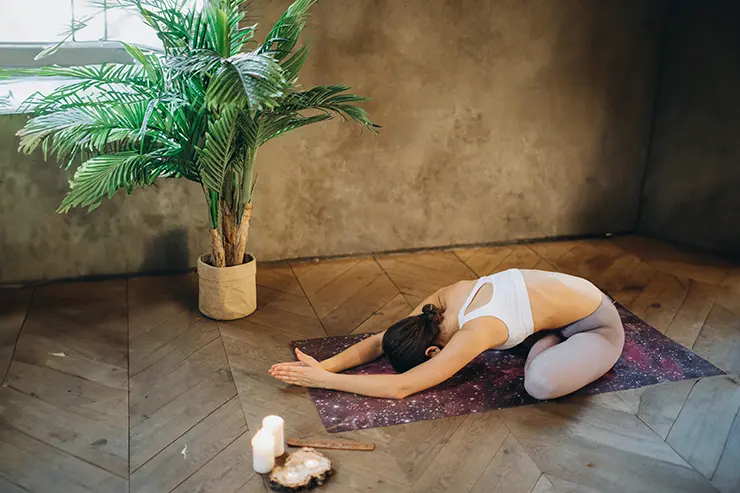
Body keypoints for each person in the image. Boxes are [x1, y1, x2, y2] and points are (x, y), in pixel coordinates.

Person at [269, 268, 625, 400]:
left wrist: (324, 382)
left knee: (540, 384)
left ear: (433, 353)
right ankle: (547, 336)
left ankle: (552, 342)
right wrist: (324, 366)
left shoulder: (478, 330)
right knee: (515, 347)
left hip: (597, 324)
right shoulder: (441, 304)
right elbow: (381, 340)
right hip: (569, 294)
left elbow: (401, 387)